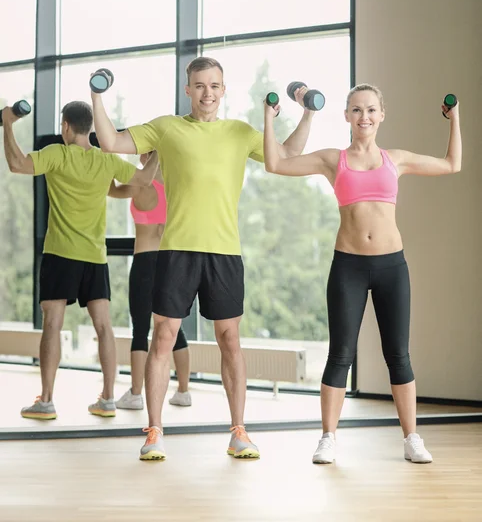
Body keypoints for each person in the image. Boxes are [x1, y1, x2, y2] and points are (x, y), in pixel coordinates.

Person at [91, 56, 315, 461]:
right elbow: (111, 142)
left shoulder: (240, 132)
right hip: (176, 250)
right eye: (199, 85)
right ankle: (154, 431)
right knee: (162, 337)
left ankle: (238, 432)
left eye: (214, 85)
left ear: (223, 90)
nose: (207, 92)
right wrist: (97, 95)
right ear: (188, 89)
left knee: (230, 340)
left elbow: (287, 157)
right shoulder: (166, 127)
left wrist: (307, 114)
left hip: (225, 252)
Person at [263, 84, 462, 464]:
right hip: (348, 265)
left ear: (382, 114)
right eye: (356, 110)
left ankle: (411, 438)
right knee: (340, 354)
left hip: (392, 266)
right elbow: (275, 163)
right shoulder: (330, 159)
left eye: (371, 110)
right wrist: (269, 120)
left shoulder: (396, 159)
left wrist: (455, 120)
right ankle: (328, 438)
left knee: (398, 355)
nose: (364, 117)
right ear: (346, 116)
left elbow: (452, 163)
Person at [2, 101, 158, 420]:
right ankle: (109, 398)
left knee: (53, 325)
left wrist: (6, 124)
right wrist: (159, 153)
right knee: (103, 327)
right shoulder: (105, 160)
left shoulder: (58, 154)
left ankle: (46, 400)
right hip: (95, 258)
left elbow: (17, 164)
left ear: (66, 127)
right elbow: (142, 180)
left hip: (61, 254)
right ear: (90, 127)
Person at [108, 151, 192, 410]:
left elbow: (110, 190)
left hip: (145, 261)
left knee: (140, 329)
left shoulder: (139, 185)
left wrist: (107, 158)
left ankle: (135, 394)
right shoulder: (178, 187)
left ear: (146, 156)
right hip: (170, 261)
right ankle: (184, 391)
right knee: (172, 327)